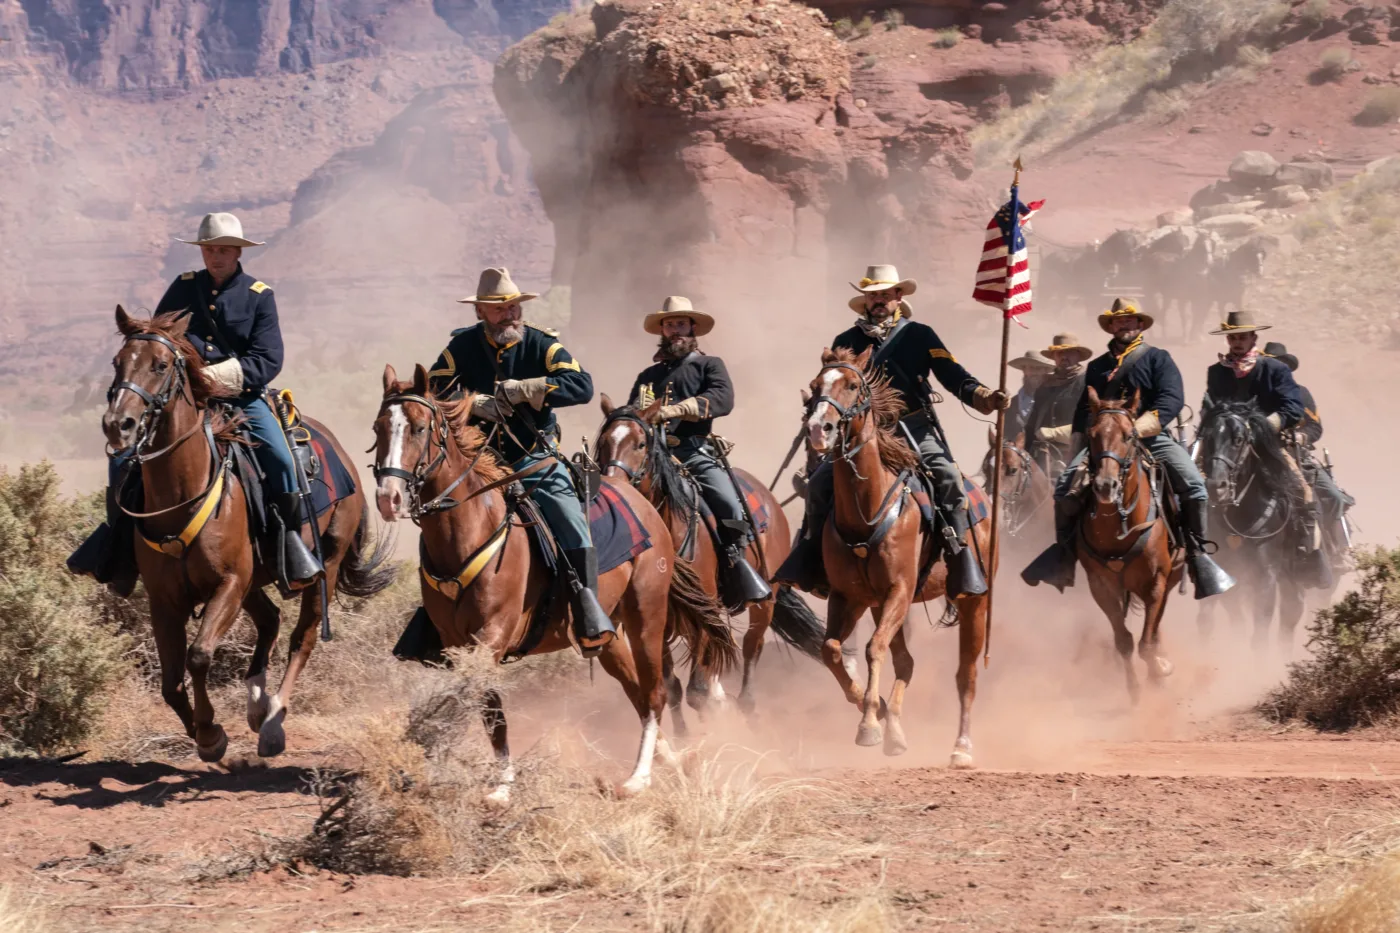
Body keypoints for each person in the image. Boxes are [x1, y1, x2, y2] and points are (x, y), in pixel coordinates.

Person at [68, 212, 321, 593]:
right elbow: (158, 343)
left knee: (282, 460)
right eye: (209, 249)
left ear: (238, 252)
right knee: (122, 457)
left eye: (222, 250)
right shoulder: (183, 288)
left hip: (241, 398)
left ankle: (286, 546)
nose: (215, 256)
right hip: (182, 400)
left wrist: (211, 378)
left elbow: (268, 360)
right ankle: (117, 548)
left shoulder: (259, 297)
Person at [774, 264, 1009, 599]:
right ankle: (810, 556)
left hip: (912, 427)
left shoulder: (921, 335)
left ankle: (960, 558)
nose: (879, 301)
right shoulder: (846, 341)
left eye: (885, 294)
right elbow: (831, 388)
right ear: (866, 301)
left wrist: (984, 396)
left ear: (899, 297)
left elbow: (952, 374)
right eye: (873, 296)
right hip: (862, 433)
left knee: (947, 477)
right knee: (818, 485)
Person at [425, 267, 615, 654]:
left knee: (569, 519)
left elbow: (582, 386)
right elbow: (432, 387)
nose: (509, 314)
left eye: (513, 306)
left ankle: (588, 611)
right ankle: (431, 627)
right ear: (480, 311)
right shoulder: (460, 349)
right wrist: (474, 403)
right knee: (440, 529)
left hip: (534, 459)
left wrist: (526, 389)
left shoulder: (542, 345)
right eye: (498, 309)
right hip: (479, 463)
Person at [1022, 298, 1234, 599]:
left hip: (1150, 437)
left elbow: (1171, 400)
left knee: (1195, 486)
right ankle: (1063, 555)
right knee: (1064, 490)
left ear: (1140, 325)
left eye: (1129, 320)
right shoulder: (1097, 367)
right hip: (1106, 442)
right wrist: (1079, 446)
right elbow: (1085, 412)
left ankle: (1198, 557)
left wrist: (1137, 428)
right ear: (1111, 326)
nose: (1124, 324)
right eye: (1118, 320)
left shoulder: (1158, 359)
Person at [625, 296, 771, 610]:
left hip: (693, 454)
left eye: (680, 323)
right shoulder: (647, 377)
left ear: (693, 328)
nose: (674, 329)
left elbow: (722, 399)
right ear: (661, 331)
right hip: (652, 457)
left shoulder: (709, 365)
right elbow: (634, 416)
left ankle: (735, 566)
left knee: (730, 505)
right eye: (669, 324)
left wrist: (680, 408)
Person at [1022, 332, 1092, 476]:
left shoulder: (1087, 383)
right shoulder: (1044, 387)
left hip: (1078, 454)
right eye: (1059, 353)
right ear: (1054, 357)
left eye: (1069, 352)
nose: (1064, 357)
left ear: (1078, 355)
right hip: (1042, 455)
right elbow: (1031, 426)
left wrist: (1052, 433)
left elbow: (1089, 423)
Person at [1005, 350, 1055, 442]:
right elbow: (1005, 437)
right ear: (1024, 370)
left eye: (1039, 368)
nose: (1035, 373)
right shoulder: (1011, 404)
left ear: (1045, 371)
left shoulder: (1054, 401)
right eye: (1031, 368)